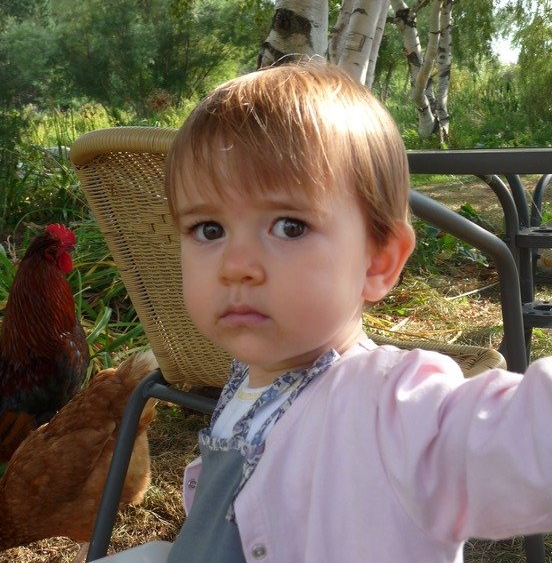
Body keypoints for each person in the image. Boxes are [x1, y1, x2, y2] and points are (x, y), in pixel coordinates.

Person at [161, 60, 552, 563]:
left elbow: (523, 440)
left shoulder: (394, 410)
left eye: (289, 227)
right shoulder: (251, 378)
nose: (236, 266)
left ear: (378, 261)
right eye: (209, 230)